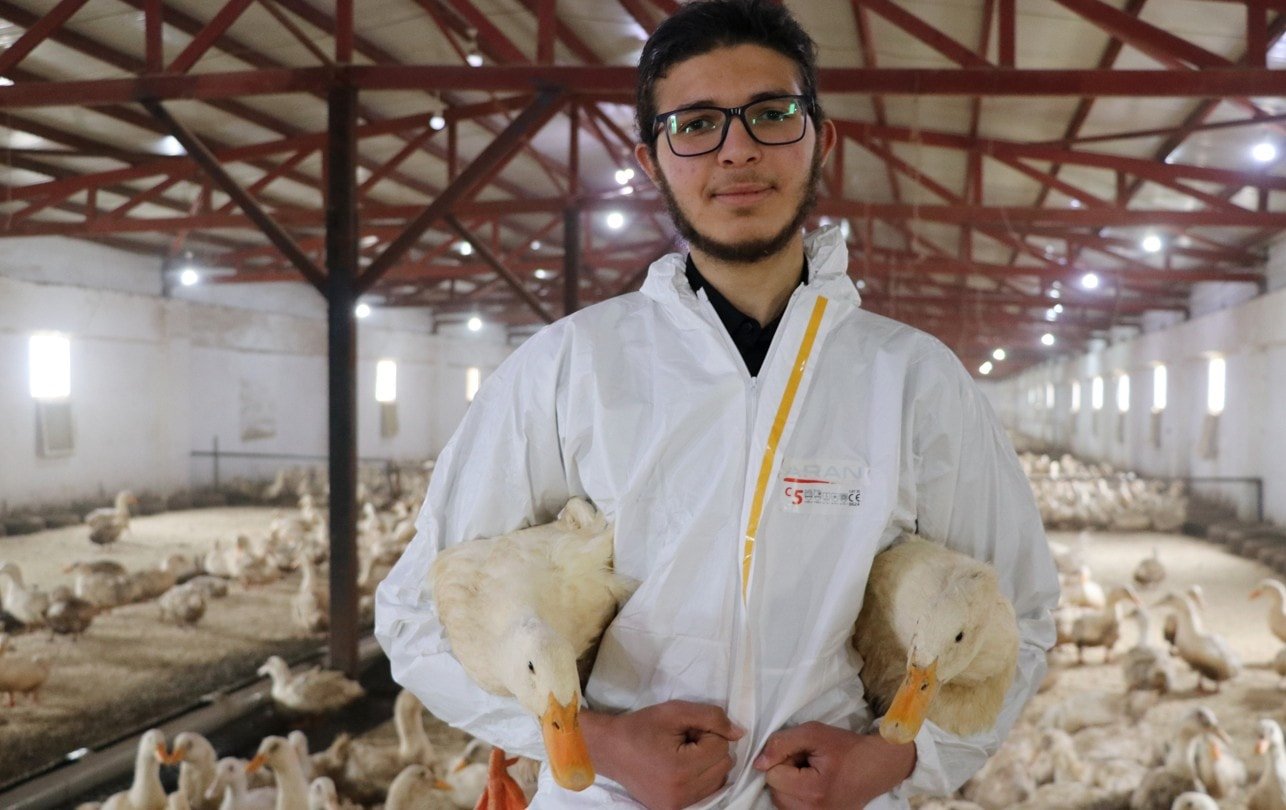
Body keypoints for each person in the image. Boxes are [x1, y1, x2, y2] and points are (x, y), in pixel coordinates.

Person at [375, 1, 1060, 807]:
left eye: (772, 114)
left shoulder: (914, 380)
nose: (737, 149)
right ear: (651, 160)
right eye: (696, 124)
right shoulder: (568, 367)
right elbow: (418, 614)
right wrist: (599, 744)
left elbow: (1018, 616)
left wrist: (897, 761)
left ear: (821, 139)